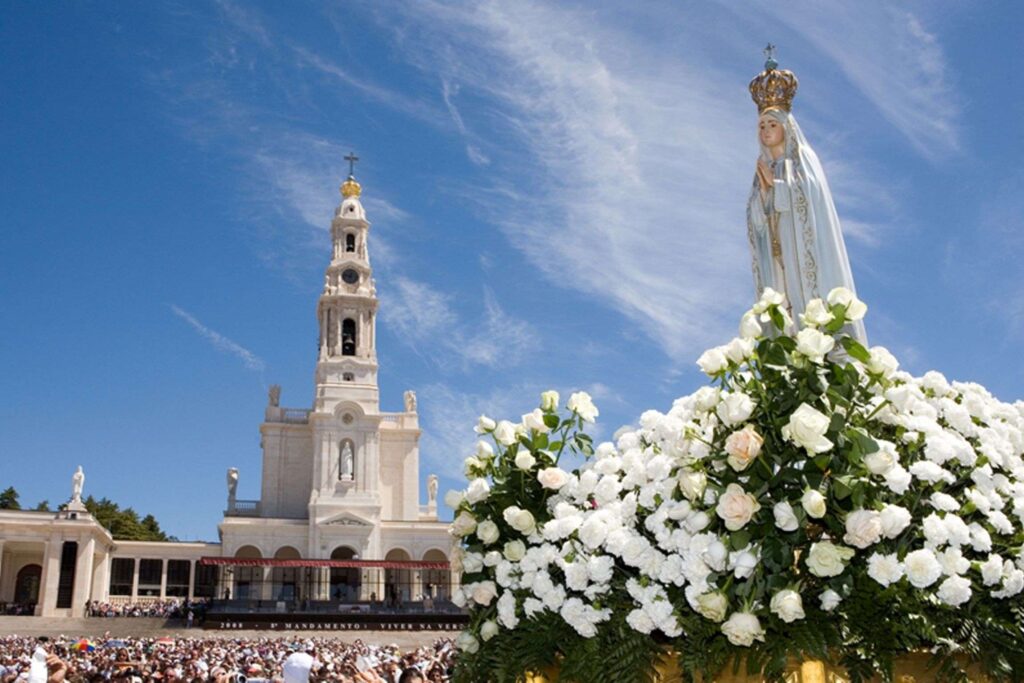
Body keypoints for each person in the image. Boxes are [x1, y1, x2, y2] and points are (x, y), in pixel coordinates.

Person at [746, 49, 867, 344]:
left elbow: (811, 200)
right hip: (777, 260)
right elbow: (755, 221)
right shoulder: (762, 168)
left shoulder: (803, 160)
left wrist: (779, 191)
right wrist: (763, 200)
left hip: (804, 258)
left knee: (811, 315)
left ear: (786, 128)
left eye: (772, 124)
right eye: (761, 125)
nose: (765, 131)